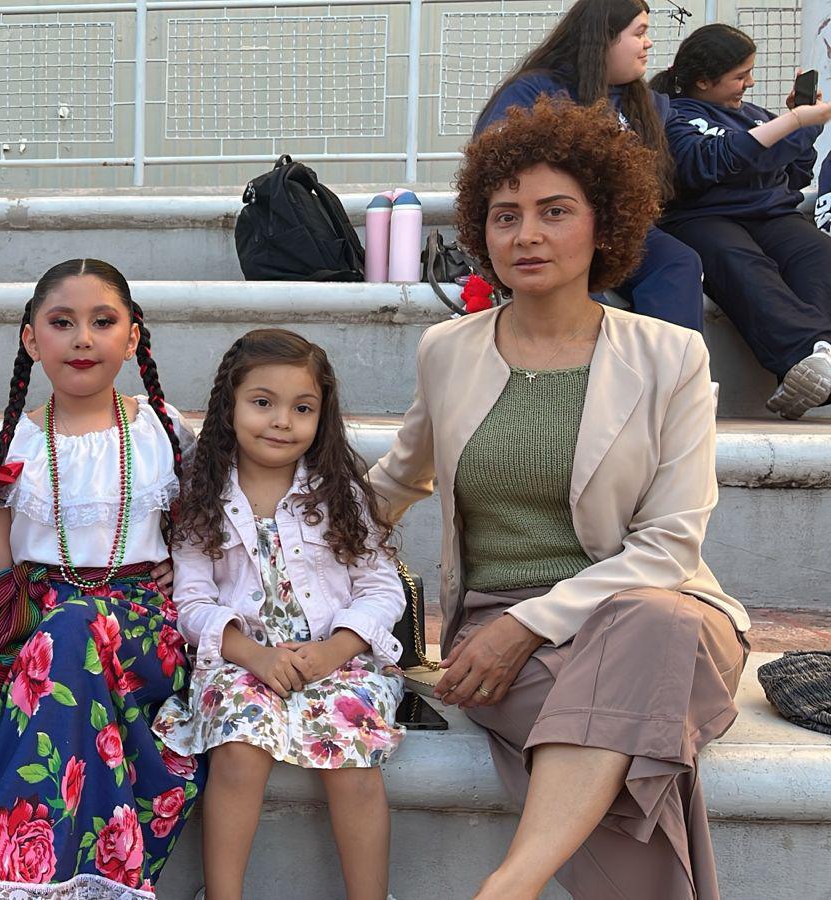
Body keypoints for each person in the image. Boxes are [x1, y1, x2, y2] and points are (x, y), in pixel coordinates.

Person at [372, 96, 749, 899]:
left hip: (655, 611)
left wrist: (528, 625)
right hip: (499, 633)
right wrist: (268, 532)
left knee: (653, 626)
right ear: (482, 232)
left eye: (554, 212)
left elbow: (670, 546)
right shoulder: (447, 350)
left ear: (604, 224)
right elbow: (398, 480)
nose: (527, 235)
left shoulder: (671, 355)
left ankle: (509, 885)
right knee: (635, 735)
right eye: (505, 216)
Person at [0, 259, 201, 900]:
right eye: (62, 322)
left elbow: (201, 537)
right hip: (34, 629)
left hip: (141, 632)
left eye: (103, 322)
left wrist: (179, 567)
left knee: (73, 629)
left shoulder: (162, 431)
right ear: (31, 338)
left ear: (132, 338)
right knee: (65, 636)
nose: (83, 339)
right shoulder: (8, 447)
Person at [153, 328, 405, 900]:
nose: (282, 421)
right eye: (263, 402)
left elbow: (381, 588)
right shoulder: (202, 499)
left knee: (354, 760)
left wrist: (335, 650)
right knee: (238, 751)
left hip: (338, 659)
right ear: (230, 406)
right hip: (240, 659)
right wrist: (254, 656)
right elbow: (191, 602)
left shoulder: (340, 494)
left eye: (302, 408)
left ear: (322, 416)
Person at [476, 0, 705, 331]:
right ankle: (593, 359)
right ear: (604, 38)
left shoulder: (646, 102)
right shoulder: (535, 91)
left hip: (618, 228)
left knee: (678, 261)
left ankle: (669, 360)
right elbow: (493, 162)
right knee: (573, 284)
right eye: (639, 33)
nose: (648, 43)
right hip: (555, 224)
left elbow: (700, 154)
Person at [651, 24, 831, 418]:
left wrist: (799, 126)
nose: (749, 83)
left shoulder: (753, 115)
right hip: (703, 217)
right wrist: (797, 125)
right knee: (741, 261)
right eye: (740, 75)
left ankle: (821, 356)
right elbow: (715, 161)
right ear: (703, 81)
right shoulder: (675, 115)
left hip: (771, 214)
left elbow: (793, 173)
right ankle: (805, 354)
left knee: (818, 253)